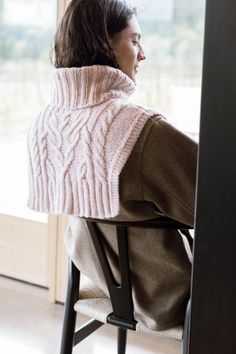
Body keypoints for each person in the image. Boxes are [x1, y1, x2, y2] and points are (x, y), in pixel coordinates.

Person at [27, 0, 197, 331]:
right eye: (134, 40)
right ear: (104, 43)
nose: (143, 53)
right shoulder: (142, 131)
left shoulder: (47, 122)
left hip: (100, 279)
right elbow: (217, 206)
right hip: (168, 298)